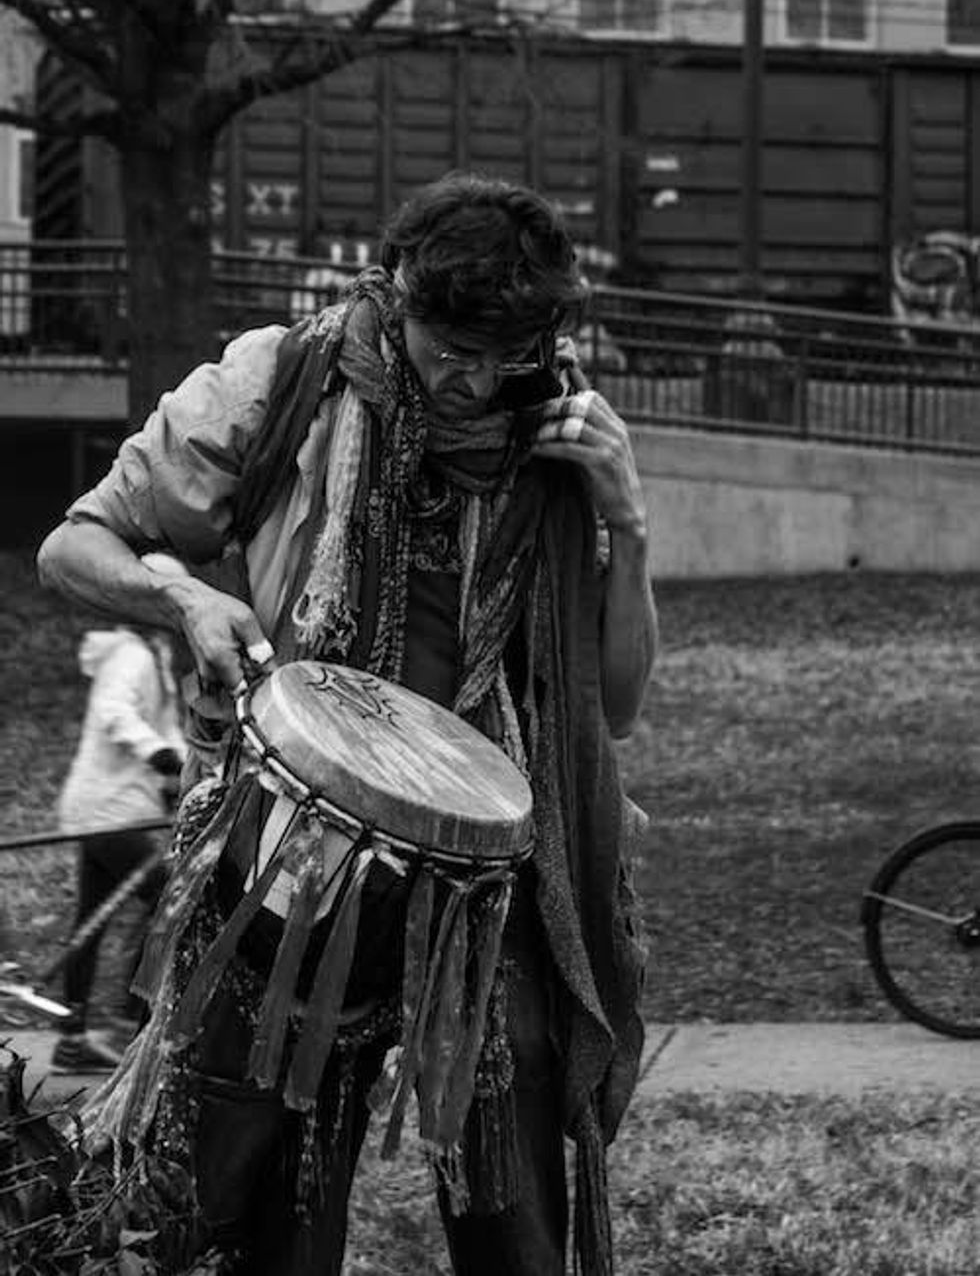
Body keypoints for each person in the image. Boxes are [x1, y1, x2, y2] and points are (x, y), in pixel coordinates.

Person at [36, 171, 658, 1275]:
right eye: (446, 349)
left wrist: (628, 521)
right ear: (395, 295)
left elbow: (613, 703)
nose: (471, 382)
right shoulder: (284, 379)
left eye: (497, 357)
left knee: (512, 1186)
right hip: (291, 852)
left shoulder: (558, 437)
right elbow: (74, 546)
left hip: (484, 871)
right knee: (261, 1194)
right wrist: (186, 596)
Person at [52, 560, 187, 1073]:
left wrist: (184, 769)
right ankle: (138, 1028)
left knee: (91, 916)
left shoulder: (148, 654)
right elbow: (116, 712)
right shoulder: (131, 655)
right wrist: (162, 757)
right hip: (110, 812)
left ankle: (73, 1035)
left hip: (108, 808)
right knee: (169, 904)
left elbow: (165, 726)